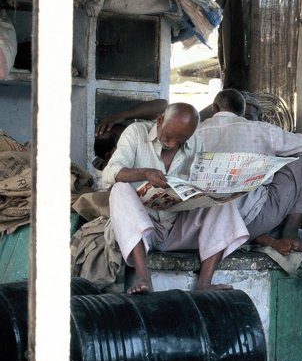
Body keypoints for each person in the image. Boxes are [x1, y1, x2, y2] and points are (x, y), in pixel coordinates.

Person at [102, 102, 250, 294]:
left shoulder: (196, 141)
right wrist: (144, 173)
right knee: (120, 190)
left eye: (179, 142)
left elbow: (200, 182)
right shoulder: (136, 133)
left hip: (178, 230)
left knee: (222, 201)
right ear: (160, 120)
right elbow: (109, 174)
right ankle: (143, 276)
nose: (172, 145)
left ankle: (204, 282)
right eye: (169, 137)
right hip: (142, 230)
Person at [197, 89, 302, 255]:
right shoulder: (263, 130)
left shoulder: (194, 132)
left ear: (214, 108)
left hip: (202, 223)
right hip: (253, 219)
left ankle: (261, 238)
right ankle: (291, 233)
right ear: (242, 112)